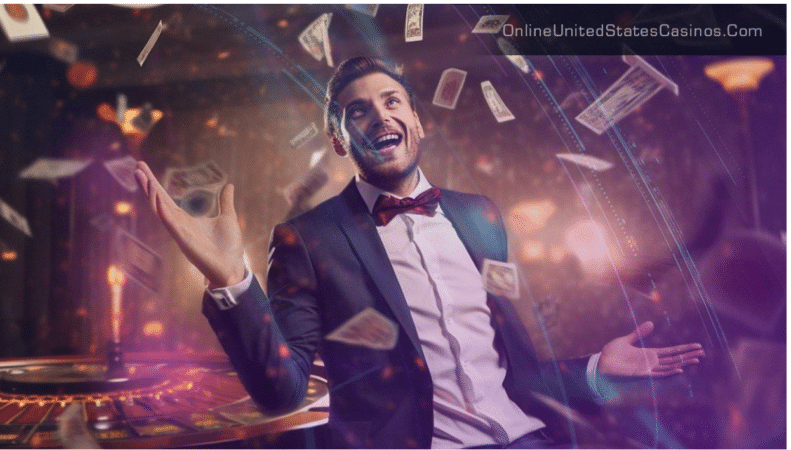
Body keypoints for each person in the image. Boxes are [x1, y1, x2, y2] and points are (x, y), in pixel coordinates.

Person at [134, 57, 705, 449]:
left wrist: (593, 368)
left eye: (391, 102)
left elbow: (512, 367)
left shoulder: (480, 215)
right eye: (358, 110)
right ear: (339, 140)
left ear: (416, 121)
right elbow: (283, 390)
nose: (379, 115)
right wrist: (230, 279)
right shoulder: (308, 238)